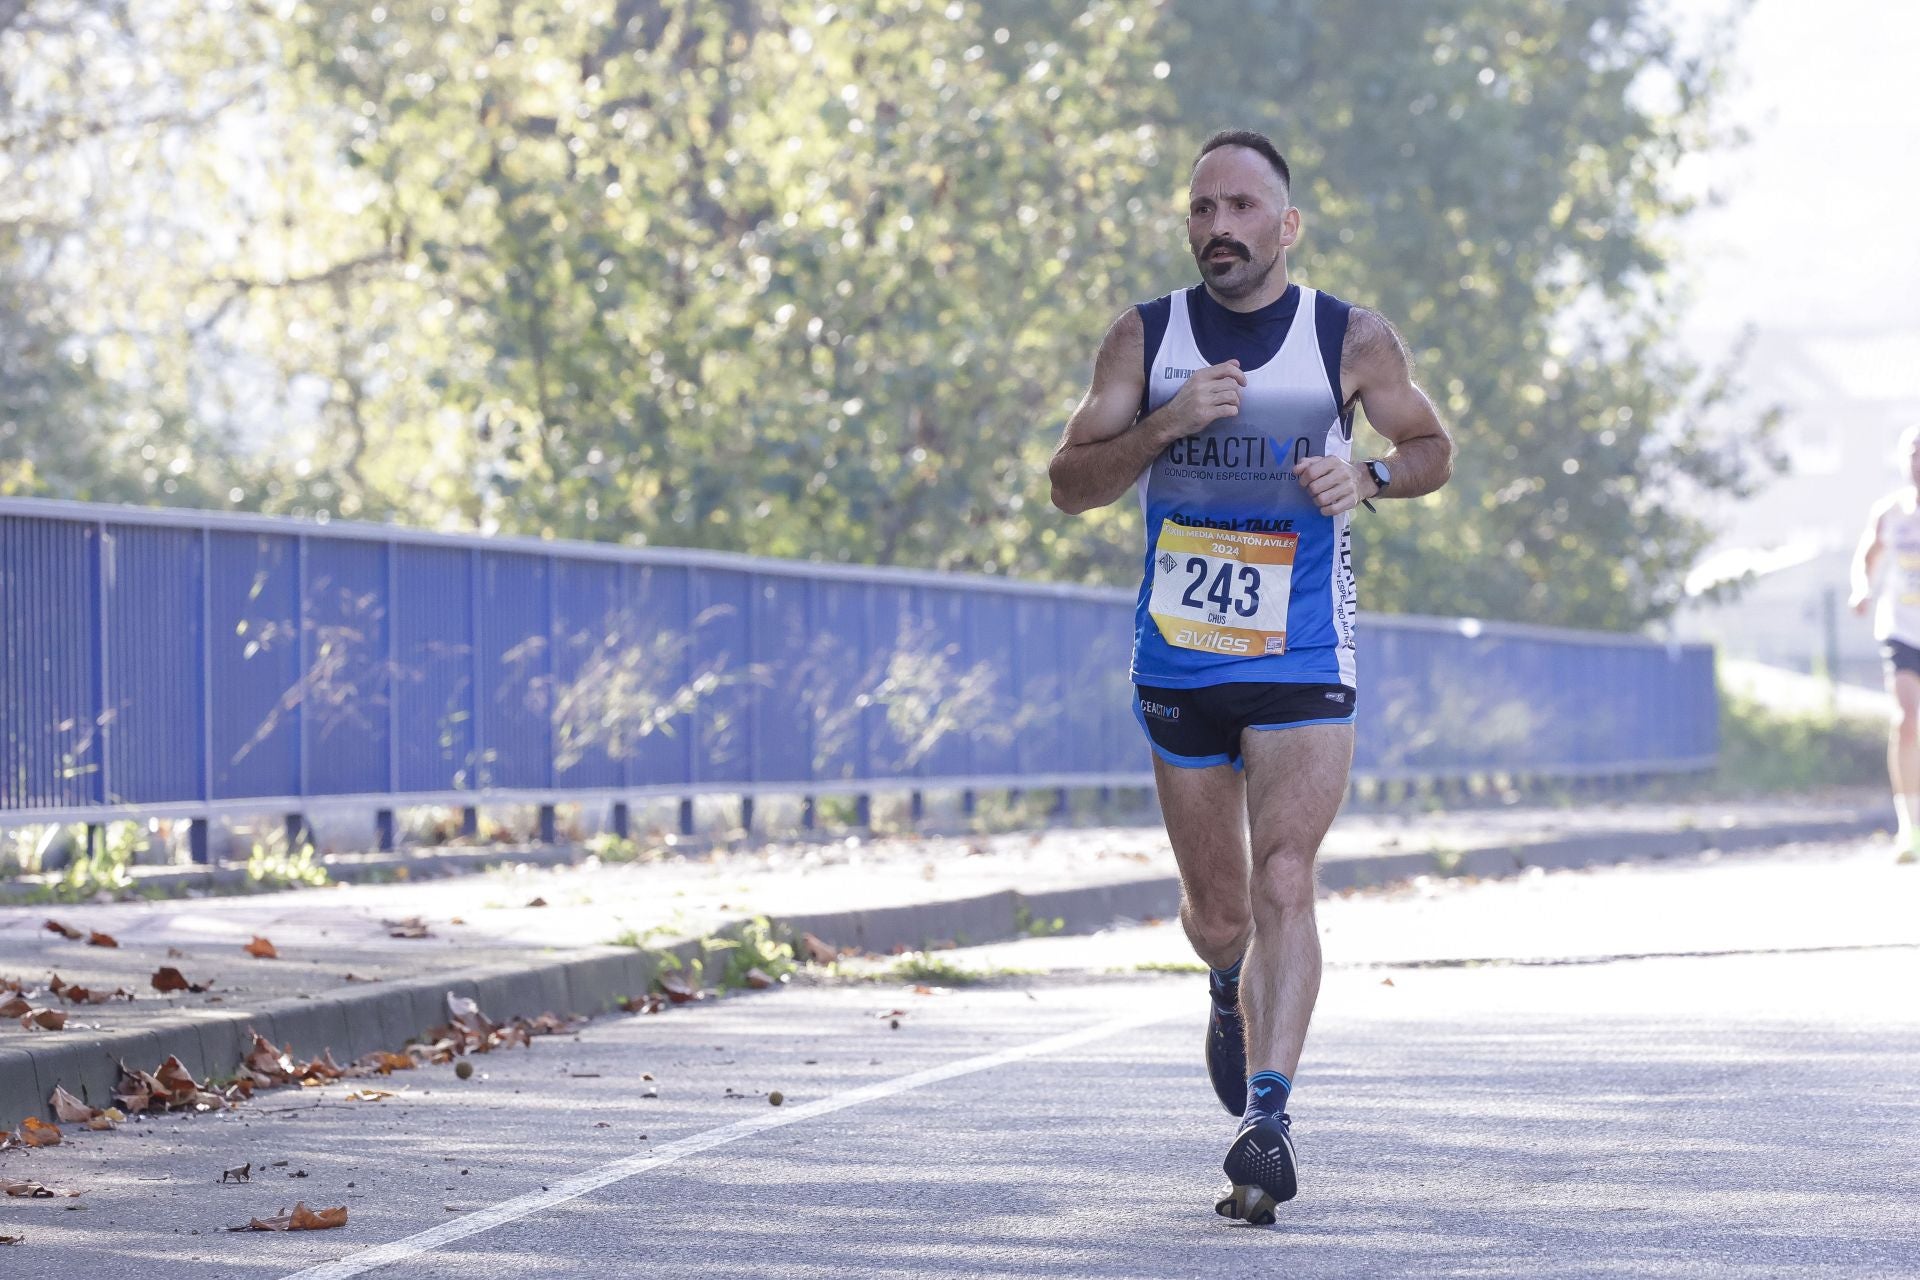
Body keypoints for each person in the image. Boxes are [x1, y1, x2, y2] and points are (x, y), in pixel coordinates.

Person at [1048, 128, 1454, 1224]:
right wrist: (1166, 422)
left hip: (1303, 650)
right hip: (1182, 654)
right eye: (1201, 209)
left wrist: (1363, 475)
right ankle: (1225, 983)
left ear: (1286, 226)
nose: (1217, 227)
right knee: (1221, 910)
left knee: (1284, 876)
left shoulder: (1347, 336)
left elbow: (1432, 448)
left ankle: (1267, 1117)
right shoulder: (1145, 336)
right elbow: (1069, 483)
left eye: (1240, 208)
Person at [1848, 423, 1920, 865]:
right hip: (1903, 627)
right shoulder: (1890, 512)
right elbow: (1866, 557)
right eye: (1913, 453)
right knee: (1907, 719)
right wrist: (1861, 589)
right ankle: (1910, 827)